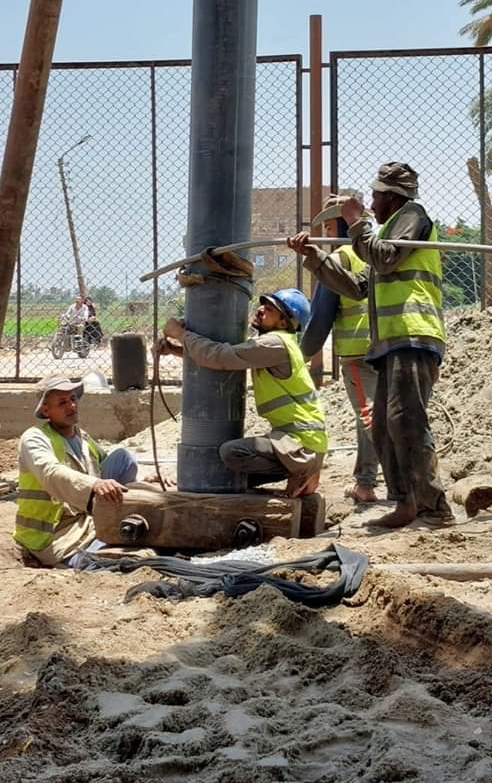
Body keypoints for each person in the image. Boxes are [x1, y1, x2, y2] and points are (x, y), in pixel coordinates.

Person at [288, 161, 453, 528]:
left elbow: (385, 258)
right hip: (391, 342)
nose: (372, 203)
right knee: (383, 425)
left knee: (405, 420)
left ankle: (433, 507)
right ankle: (406, 502)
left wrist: (355, 220)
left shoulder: (413, 216)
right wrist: (315, 257)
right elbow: (358, 286)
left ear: (393, 197)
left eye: (376, 196)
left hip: (413, 334)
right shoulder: (386, 233)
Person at [159, 289, 326, 497]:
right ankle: (301, 469)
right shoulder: (277, 344)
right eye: (263, 304)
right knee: (225, 473)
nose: (261, 309)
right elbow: (229, 358)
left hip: (301, 444)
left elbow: (221, 356)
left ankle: (301, 471)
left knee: (233, 453)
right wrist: (175, 349)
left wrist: (181, 334)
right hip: (302, 440)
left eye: (270, 309)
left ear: (284, 322)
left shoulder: (274, 344)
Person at [300, 195, 380, 503]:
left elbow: (321, 317)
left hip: (358, 354)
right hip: (390, 346)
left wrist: (301, 356)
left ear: (339, 225)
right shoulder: (379, 253)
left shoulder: (339, 259)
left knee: (371, 418)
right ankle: (365, 484)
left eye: (329, 226)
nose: (326, 233)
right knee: (372, 416)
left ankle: (404, 480)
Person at [14, 375, 140, 567]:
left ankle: (112, 525)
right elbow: (50, 472)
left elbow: (107, 467)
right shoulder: (34, 438)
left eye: (73, 399)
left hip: (88, 517)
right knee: (102, 562)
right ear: (46, 410)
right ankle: (81, 557)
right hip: (55, 532)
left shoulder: (83, 437)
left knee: (124, 458)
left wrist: (146, 481)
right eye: (62, 402)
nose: (71, 406)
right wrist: (94, 484)